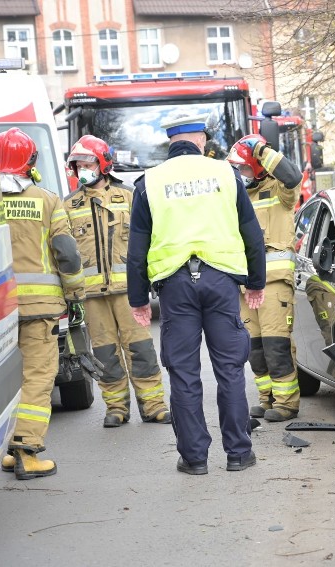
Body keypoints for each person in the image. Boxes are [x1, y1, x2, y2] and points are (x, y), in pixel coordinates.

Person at [127, 113, 266, 475]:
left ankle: (194, 459)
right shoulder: (226, 174)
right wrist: (256, 282)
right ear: (200, 140)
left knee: (184, 374)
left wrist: (137, 299)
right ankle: (238, 454)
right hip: (220, 283)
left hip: (175, 287)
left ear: (171, 142)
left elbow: (137, 246)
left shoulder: (150, 182)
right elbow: (250, 230)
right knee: (230, 370)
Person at [0, 128, 86, 479]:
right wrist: (75, 293)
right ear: (31, 162)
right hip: (39, 309)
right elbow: (67, 254)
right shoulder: (47, 200)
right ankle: (28, 452)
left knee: (6, 380)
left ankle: (9, 448)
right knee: (37, 378)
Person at [63, 135, 171, 427]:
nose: (81, 169)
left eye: (87, 163)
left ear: (102, 164)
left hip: (129, 292)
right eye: (77, 164)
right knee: (105, 354)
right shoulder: (68, 205)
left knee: (141, 350)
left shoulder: (130, 196)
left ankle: (154, 406)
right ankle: (116, 408)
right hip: (92, 296)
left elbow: (153, 237)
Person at [227, 135, 303, 422]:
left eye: (245, 169)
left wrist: (260, 149)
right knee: (255, 349)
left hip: (273, 283)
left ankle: (286, 403)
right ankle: (267, 399)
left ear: (258, 166)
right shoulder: (238, 197)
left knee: (276, 345)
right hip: (245, 285)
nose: (241, 175)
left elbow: (293, 175)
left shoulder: (280, 191)